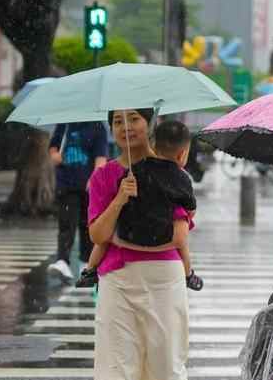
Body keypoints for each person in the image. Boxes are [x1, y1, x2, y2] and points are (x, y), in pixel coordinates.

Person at [88, 108, 199, 380]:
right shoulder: (104, 176)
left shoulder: (173, 175)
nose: (126, 128)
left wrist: (125, 239)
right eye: (117, 121)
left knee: (167, 362)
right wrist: (119, 199)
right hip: (117, 278)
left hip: (163, 277)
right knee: (118, 366)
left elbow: (177, 236)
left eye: (133, 119)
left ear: (148, 124)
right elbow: (98, 234)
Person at [84, 119, 203, 291]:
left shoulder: (135, 169)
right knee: (183, 245)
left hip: (127, 229)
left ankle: (89, 270)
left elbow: (120, 192)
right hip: (162, 234)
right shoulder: (180, 177)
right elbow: (189, 207)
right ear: (182, 154)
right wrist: (190, 212)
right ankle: (188, 274)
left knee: (104, 240)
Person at [47, 121, 109, 281]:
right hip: (66, 184)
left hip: (88, 186)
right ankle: (62, 261)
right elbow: (53, 147)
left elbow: (101, 157)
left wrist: (95, 179)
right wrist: (54, 155)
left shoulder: (97, 127)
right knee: (66, 225)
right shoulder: (64, 124)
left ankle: (86, 263)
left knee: (87, 226)